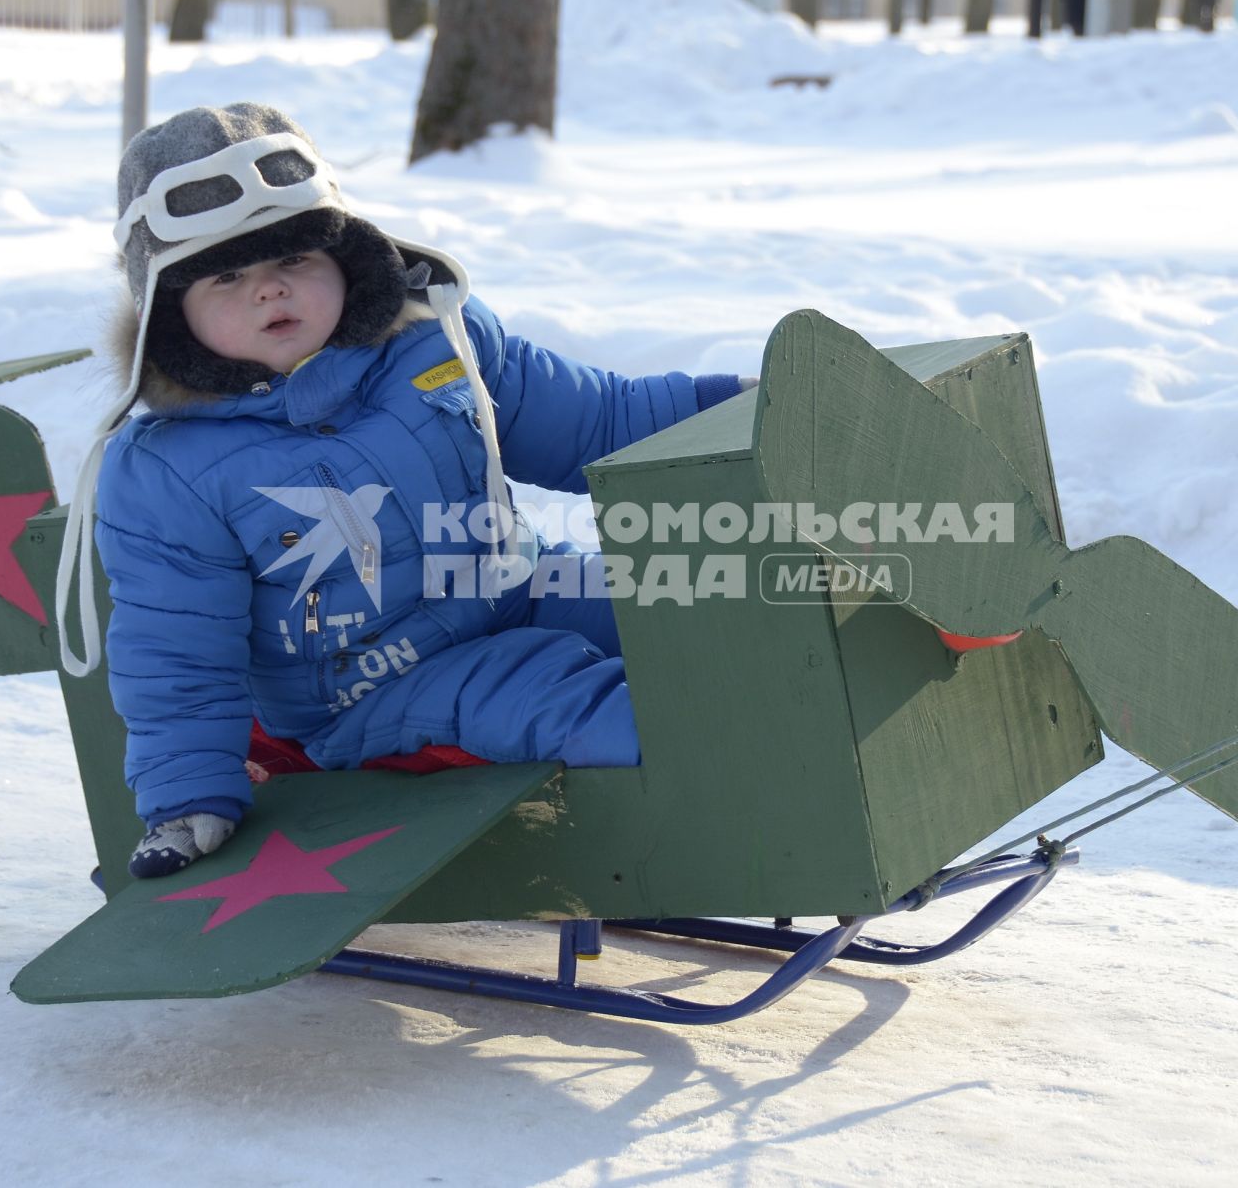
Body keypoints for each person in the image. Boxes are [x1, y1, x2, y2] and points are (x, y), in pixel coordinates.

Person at [54, 104, 752, 878]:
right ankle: (777, 802)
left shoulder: (433, 337)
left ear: (345, 255)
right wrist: (186, 798)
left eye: (293, 257)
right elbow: (177, 651)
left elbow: (596, 418)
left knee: (693, 604)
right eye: (227, 276)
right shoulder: (166, 469)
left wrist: (743, 411)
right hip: (373, 685)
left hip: (514, 585)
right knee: (569, 694)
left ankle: (843, 728)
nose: (270, 290)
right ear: (170, 314)